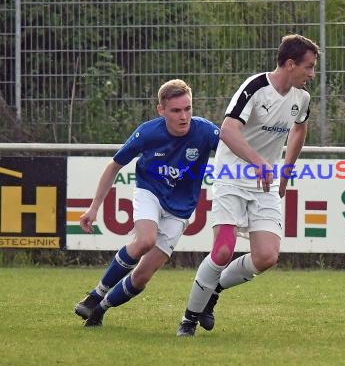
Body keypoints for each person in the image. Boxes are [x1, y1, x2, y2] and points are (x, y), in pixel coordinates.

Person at [176, 34, 320, 337]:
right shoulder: (255, 87)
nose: (312, 74)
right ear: (291, 64)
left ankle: (213, 292)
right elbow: (227, 130)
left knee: (266, 257)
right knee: (223, 250)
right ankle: (188, 319)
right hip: (231, 176)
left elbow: (299, 129)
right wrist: (257, 161)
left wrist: (285, 171)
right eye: (309, 67)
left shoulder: (301, 98)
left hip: (264, 182)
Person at [74, 79, 219, 327]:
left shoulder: (205, 131)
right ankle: (95, 294)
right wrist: (94, 207)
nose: (184, 116)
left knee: (142, 277)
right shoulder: (148, 132)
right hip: (149, 192)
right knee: (144, 240)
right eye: (176, 110)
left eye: (188, 108)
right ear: (161, 110)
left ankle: (100, 309)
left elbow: (235, 149)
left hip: (181, 210)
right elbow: (114, 166)